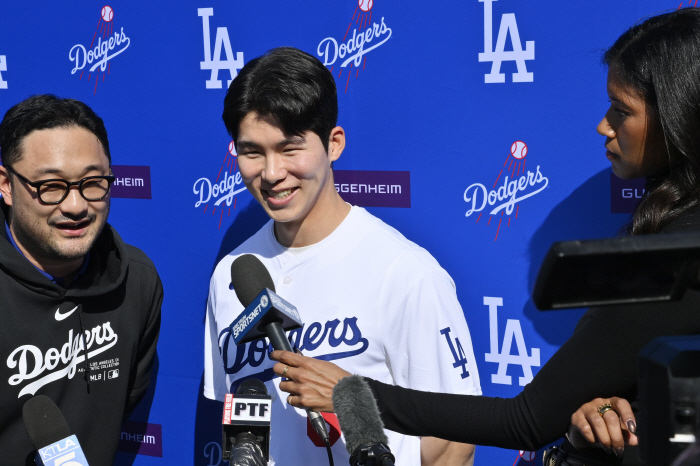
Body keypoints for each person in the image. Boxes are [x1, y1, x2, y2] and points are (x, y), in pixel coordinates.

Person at [270, 8, 700, 466]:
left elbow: (526, 421)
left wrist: (349, 393)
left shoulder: (673, 262)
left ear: (678, 115)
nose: (604, 125)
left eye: (622, 110)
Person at [203, 47, 481, 466]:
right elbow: (239, 424)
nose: (272, 173)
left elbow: (453, 445)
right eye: (252, 152)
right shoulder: (231, 274)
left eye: (290, 147)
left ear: (334, 144)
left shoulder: (405, 271)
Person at [0, 95, 163, 465]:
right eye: (51, 186)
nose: (76, 206)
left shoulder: (137, 282)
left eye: (92, 182)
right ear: (6, 185)